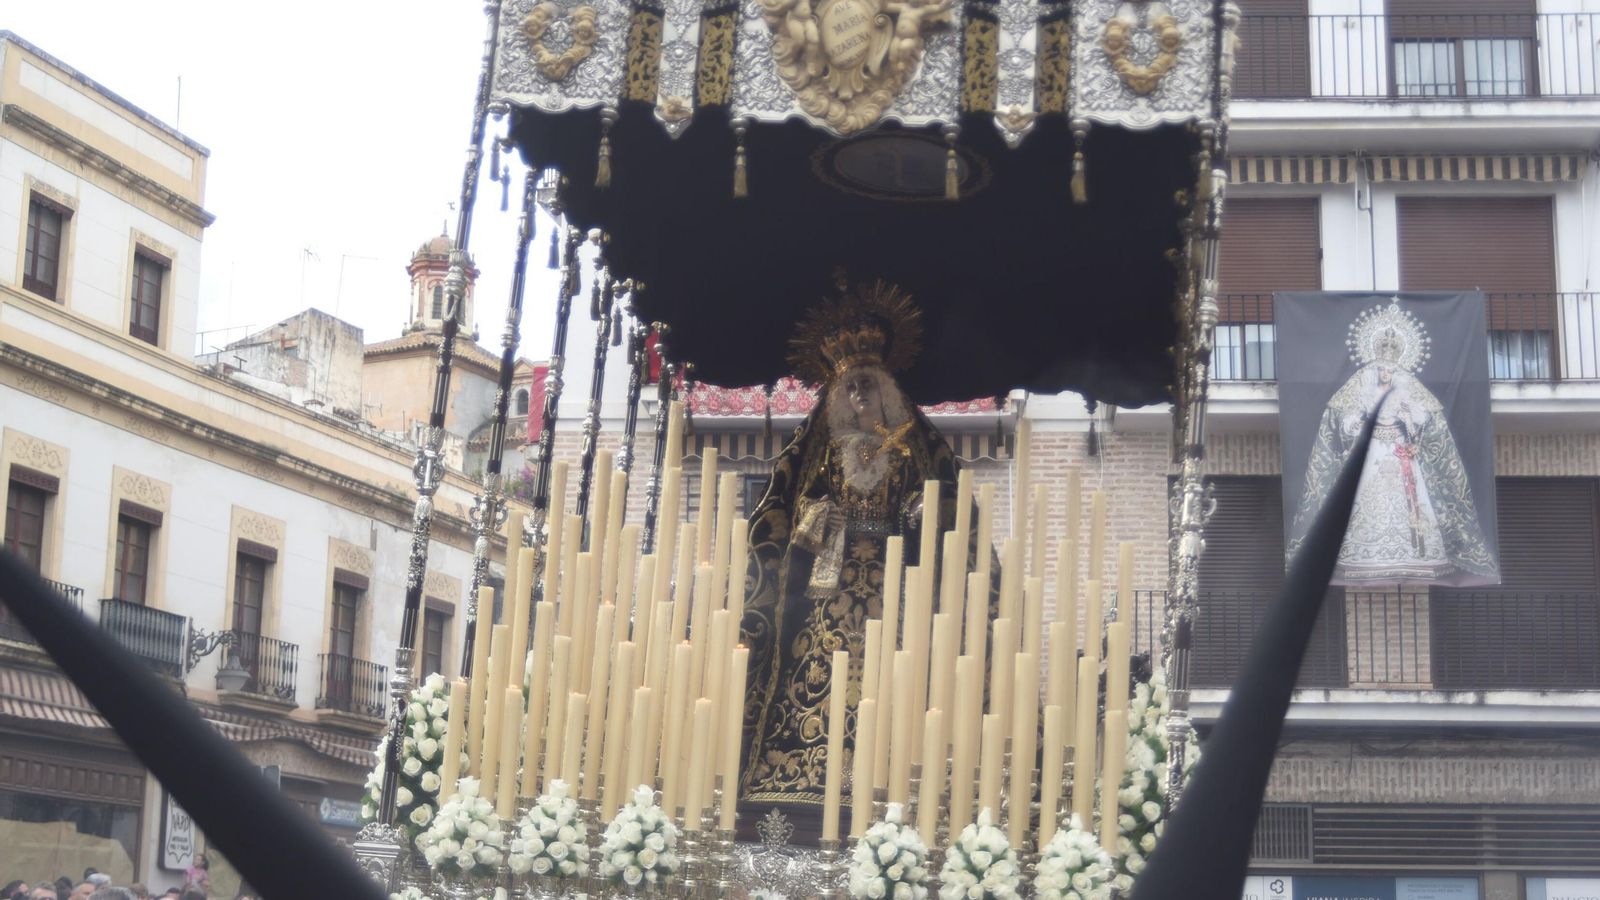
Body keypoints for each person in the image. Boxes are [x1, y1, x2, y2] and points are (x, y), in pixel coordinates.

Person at [738, 281, 993, 806]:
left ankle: (890, 767)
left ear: (886, 393)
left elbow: (930, 505)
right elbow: (800, 506)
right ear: (839, 397)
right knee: (824, 658)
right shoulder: (828, 450)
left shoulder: (906, 451)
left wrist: (919, 512)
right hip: (831, 583)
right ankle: (809, 768)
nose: (860, 395)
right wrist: (820, 515)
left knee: (894, 658)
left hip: (891, 577)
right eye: (851, 387)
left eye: (868, 386)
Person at [1288, 300, 1497, 585]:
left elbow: (1421, 419)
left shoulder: (1406, 389)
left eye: (1390, 370)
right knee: (1365, 494)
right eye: (1382, 369)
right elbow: (1347, 419)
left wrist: (1409, 417)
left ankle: (1416, 555)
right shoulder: (1364, 388)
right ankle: (1363, 556)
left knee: (1410, 497)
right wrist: (1358, 422)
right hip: (1373, 448)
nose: (1385, 373)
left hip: (1399, 448)